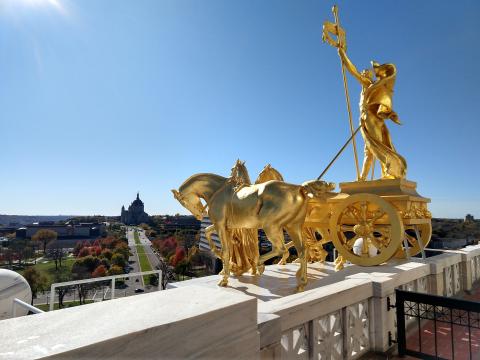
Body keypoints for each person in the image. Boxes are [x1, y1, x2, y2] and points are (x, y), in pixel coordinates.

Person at [337, 46, 407, 180]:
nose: (363, 73)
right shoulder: (372, 88)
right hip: (370, 119)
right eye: (363, 72)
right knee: (369, 150)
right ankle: (362, 178)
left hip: (370, 118)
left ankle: (388, 172)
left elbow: (352, 71)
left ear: (369, 76)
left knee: (377, 146)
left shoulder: (369, 85)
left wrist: (342, 54)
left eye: (365, 72)